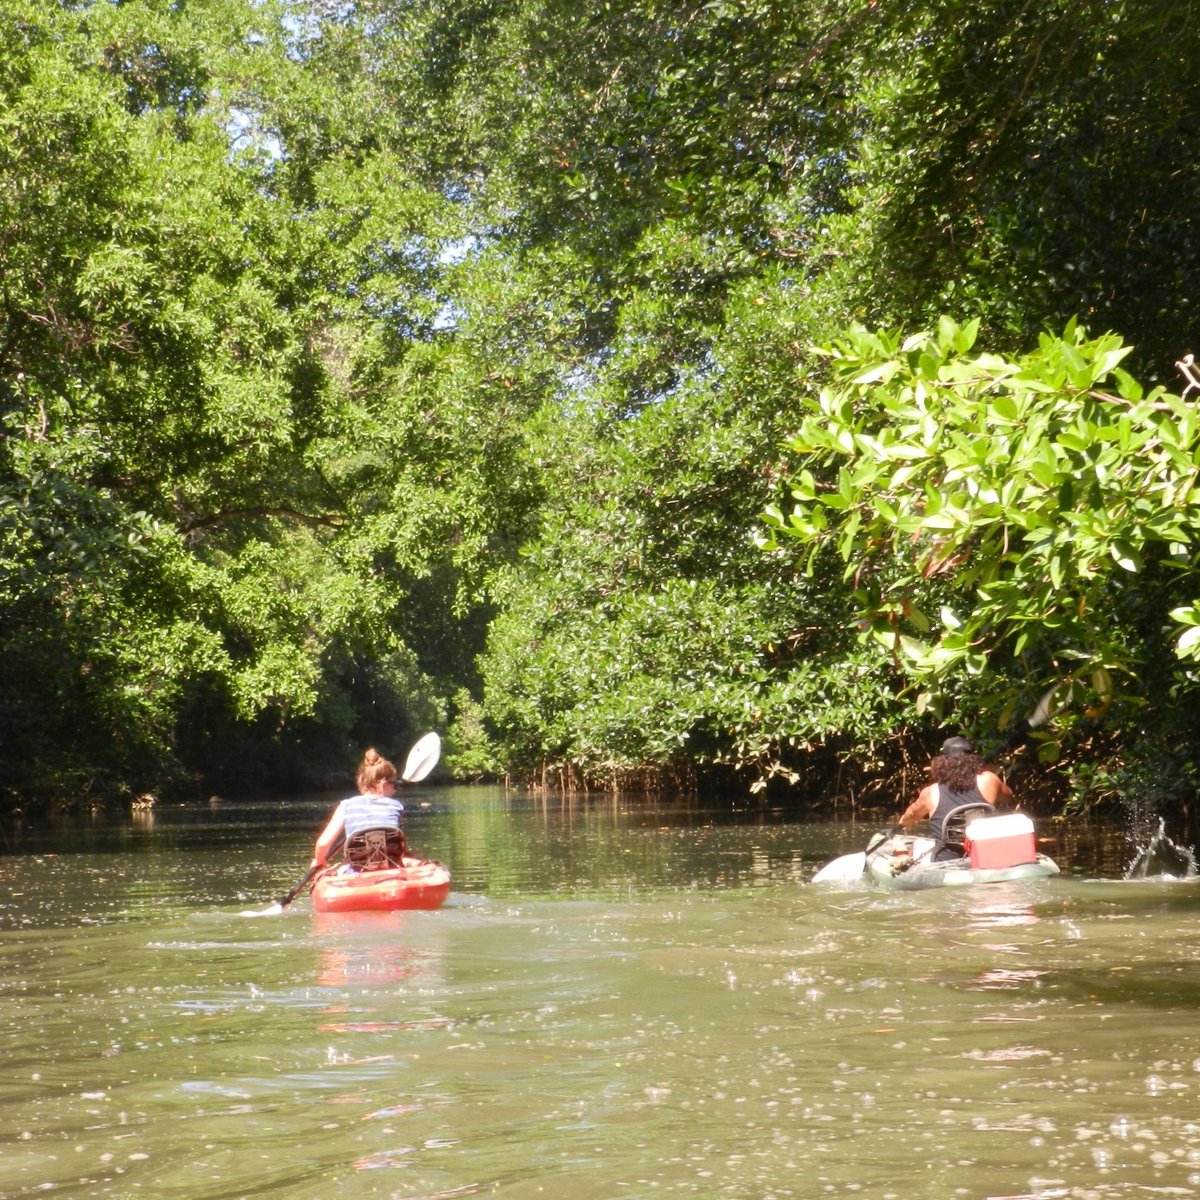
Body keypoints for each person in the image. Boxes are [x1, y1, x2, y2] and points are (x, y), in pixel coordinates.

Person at [896, 736, 1013, 861]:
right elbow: (1009, 797)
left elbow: (912, 815)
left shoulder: (931, 792)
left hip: (946, 860)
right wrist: (985, 772)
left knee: (902, 843)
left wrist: (902, 823)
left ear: (942, 764)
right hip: (986, 856)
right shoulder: (989, 779)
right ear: (974, 760)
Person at [311, 748, 406, 873]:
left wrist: (319, 861)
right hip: (391, 867)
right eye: (394, 784)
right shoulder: (396, 806)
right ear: (384, 784)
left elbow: (323, 844)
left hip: (357, 870)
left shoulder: (346, 806)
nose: (395, 789)